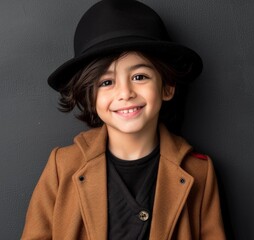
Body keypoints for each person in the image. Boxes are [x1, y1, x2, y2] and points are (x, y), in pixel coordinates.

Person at [21, 0, 225, 239]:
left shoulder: (198, 170)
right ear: (90, 96)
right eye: (106, 82)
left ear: (167, 87)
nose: (125, 92)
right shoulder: (62, 166)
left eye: (140, 76)